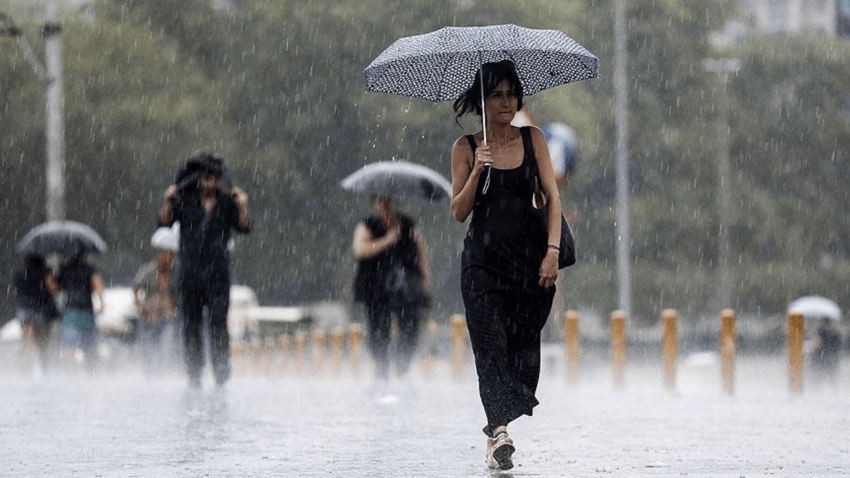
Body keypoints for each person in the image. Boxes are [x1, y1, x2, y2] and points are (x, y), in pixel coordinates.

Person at [449, 60, 562, 471]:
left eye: (512, 93)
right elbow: (458, 210)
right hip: (481, 266)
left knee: (521, 350)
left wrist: (551, 251)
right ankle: (499, 433)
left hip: (527, 264)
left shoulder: (533, 140)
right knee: (490, 346)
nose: (506, 101)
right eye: (496, 94)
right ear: (481, 100)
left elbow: (552, 196)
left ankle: (499, 419)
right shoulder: (465, 148)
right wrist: (478, 168)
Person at [158, 151, 251, 389]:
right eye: (206, 178)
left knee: (219, 324)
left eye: (215, 178)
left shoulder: (228, 202)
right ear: (199, 179)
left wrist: (243, 206)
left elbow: (244, 227)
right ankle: (194, 374)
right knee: (191, 325)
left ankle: (221, 374)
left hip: (218, 274)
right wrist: (168, 201)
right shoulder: (184, 201)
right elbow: (164, 223)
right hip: (190, 273)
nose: (211, 182)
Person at [352, 194, 431, 380]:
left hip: (406, 288)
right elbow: (359, 250)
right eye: (380, 201)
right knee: (378, 330)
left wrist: (425, 283)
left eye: (387, 200)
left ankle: (402, 368)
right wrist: (387, 240)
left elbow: (422, 255)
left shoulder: (408, 225)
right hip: (375, 288)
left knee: (410, 329)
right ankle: (382, 369)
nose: (384, 205)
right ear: (374, 204)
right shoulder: (367, 225)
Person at [132, 249, 177, 375]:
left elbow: (176, 294)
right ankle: (149, 375)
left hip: (165, 317)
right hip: (148, 316)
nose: (167, 261)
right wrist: (139, 304)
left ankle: (161, 375)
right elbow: (136, 286)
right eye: (165, 257)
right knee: (147, 349)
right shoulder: (148, 271)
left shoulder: (173, 274)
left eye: (170, 258)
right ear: (159, 256)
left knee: (164, 350)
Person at [57, 253, 105, 369]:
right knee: (89, 346)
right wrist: (101, 301)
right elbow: (97, 282)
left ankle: (69, 372)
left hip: (70, 311)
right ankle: (90, 372)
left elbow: (55, 286)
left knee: (70, 346)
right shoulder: (89, 268)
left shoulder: (64, 268)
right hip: (86, 311)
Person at [14, 254, 60, 372]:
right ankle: (44, 369)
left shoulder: (19, 273)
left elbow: (17, 291)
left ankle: (25, 369)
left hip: (24, 309)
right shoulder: (45, 271)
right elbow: (53, 288)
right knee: (42, 343)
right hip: (41, 310)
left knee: (28, 341)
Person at [811, 317, 842, 383]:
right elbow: (838, 344)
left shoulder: (821, 331)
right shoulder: (832, 332)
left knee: (823, 375)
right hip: (828, 356)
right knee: (829, 375)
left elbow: (817, 344)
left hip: (824, 356)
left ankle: (824, 386)